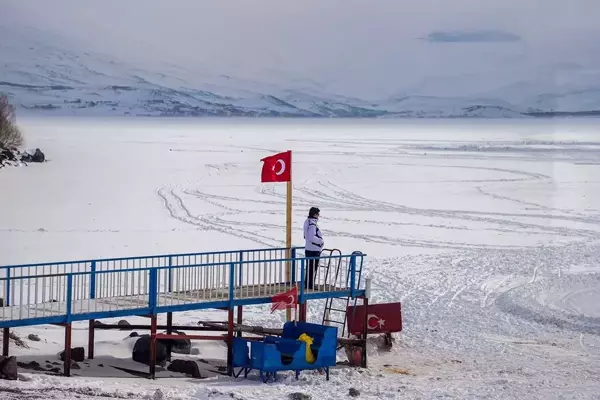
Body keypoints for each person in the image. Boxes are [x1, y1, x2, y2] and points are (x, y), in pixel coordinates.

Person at [303, 207, 324, 290]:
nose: (318, 215)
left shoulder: (307, 222)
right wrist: (320, 241)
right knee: (312, 268)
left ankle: (308, 283)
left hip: (309, 248)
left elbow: (306, 236)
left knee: (310, 268)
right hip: (314, 249)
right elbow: (311, 237)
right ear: (314, 214)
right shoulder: (312, 223)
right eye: (318, 214)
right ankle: (310, 284)